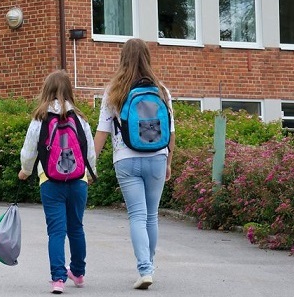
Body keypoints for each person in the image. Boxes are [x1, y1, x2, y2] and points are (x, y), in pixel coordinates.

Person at [93, 38, 176, 290]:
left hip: (126, 159)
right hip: (157, 158)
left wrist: (90, 165)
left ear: (123, 59)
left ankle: (145, 269)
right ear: (147, 58)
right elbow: (171, 132)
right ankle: (148, 266)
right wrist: (169, 162)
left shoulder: (114, 91)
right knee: (152, 216)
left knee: (137, 216)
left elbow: (102, 132)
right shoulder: (161, 90)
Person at [19, 70, 96, 294]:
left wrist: (25, 171)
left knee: (56, 231)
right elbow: (89, 152)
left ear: (46, 90)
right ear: (69, 91)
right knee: (76, 227)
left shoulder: (40, 119)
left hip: (50, 181)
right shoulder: (80, 119)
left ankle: (58, 279)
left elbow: (29, 151)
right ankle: (79, 273)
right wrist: (90, 175)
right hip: (78, 180)